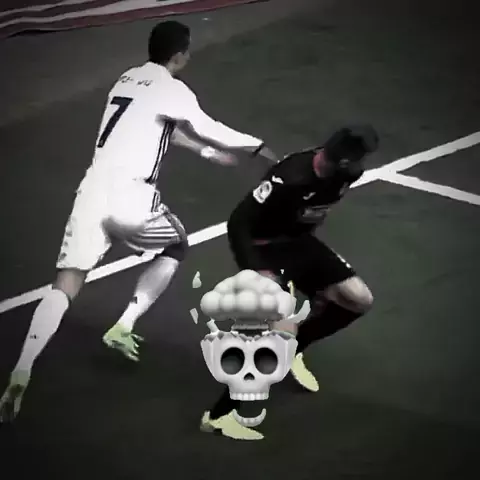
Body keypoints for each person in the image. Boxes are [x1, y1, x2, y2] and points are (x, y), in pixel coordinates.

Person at [0, 20, 278, 423]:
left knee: (67, 282)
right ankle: (124, 324)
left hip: (91, 191)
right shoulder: (173, 89)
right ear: (180, 54)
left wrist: (203, 153)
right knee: (175, 246)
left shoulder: (127, 80)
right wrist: (260, 149)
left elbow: (163, 129)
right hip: (132, 195)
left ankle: (23, 367)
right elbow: (208, 127)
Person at [200, 125, 379, 440]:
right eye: (356, 158)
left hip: (299, 244)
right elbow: (239, 222)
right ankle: (218, 416)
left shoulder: (348, 174)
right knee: (279, 333)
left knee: (359, 299)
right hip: (263, 250)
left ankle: (296, 348)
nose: (359, 165)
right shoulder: (289, 178)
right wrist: (257, 270)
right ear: (341, 159)